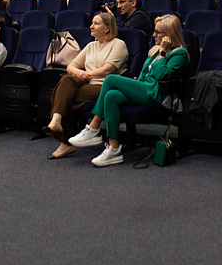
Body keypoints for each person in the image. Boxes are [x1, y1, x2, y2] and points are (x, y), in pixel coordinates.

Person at [69, 14, 189, 167]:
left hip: (160, 97)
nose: (154, 35)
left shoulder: (180, 53)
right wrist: (136, 82)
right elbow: (145, 74)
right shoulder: (154, 51)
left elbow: (161, 75)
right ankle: (113, 148)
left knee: (111, 79)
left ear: (169, 34)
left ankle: (94, 127)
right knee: (112, 95)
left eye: (158, 32)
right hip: (146, 90)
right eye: (155, 31)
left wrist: (163, 52)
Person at [44, 12, 130, 158]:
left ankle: (64, 142)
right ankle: (56, 120)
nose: (91, 26)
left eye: (96, 23)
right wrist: (79, 73)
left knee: (65, 96)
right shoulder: (91, 45)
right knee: (66, 80)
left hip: (105, 86)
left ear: (107, 28)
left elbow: (107, 69)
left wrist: (87, 74)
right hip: (87, 82)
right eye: (92, 23)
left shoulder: (118, 44)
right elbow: (71, 66)